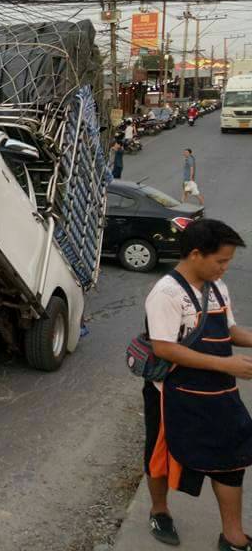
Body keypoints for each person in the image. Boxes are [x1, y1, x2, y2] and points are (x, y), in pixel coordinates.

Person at [143, 219, 252, 550]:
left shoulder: (217, 287)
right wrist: (226, 364)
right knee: (161, 454)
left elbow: (230, 330)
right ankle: (160, 511)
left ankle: (233, 536)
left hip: (220, 391)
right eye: (220, 260)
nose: (225, 267)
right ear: (195, 255)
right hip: (172, 393)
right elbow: (163, 347)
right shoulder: (166, 292)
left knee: (233, 455)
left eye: (228, 261)